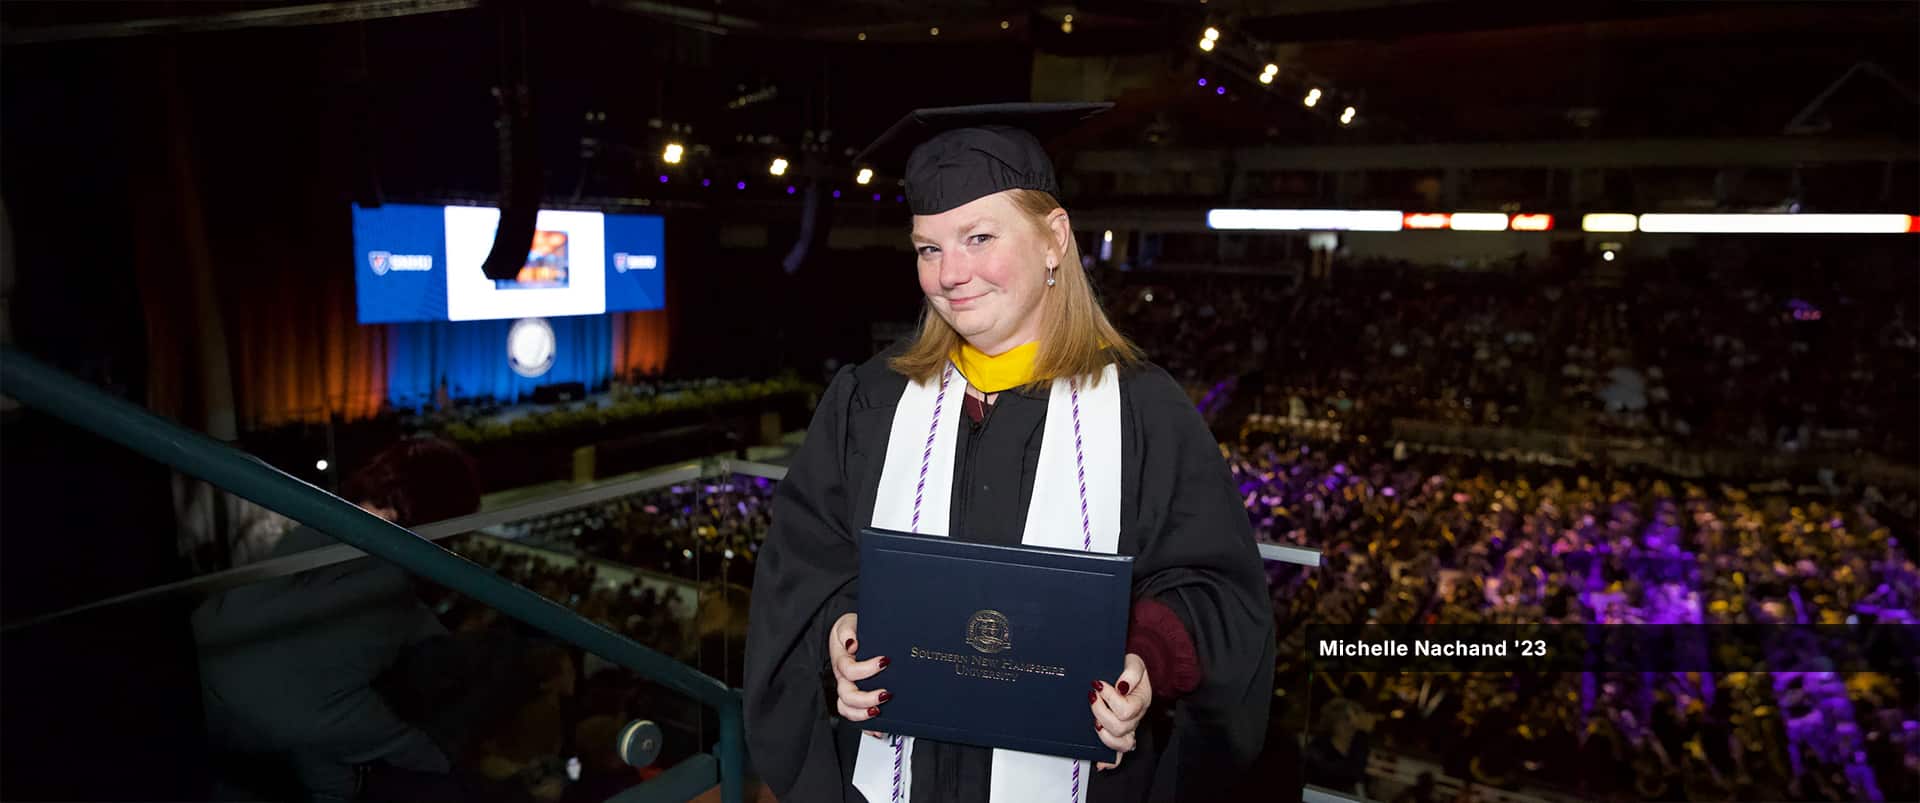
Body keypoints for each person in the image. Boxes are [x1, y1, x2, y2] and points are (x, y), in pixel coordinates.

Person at [744, 102, 1274, 803]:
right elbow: (805, 568)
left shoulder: (1143, 413)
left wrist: (1144, 656)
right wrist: (840, 631)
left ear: (1054, 237)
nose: (949, 274)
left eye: (978, 237)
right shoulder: (868, 402)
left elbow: (1220, 596)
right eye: (928, 248)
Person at [1302, 698, 1374, 796]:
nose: (1353, 724)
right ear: (1335, 721)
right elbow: (1349, 775)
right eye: (1347, 719)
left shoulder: (1351, 751)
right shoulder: (1317, 751)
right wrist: (1362, 735)